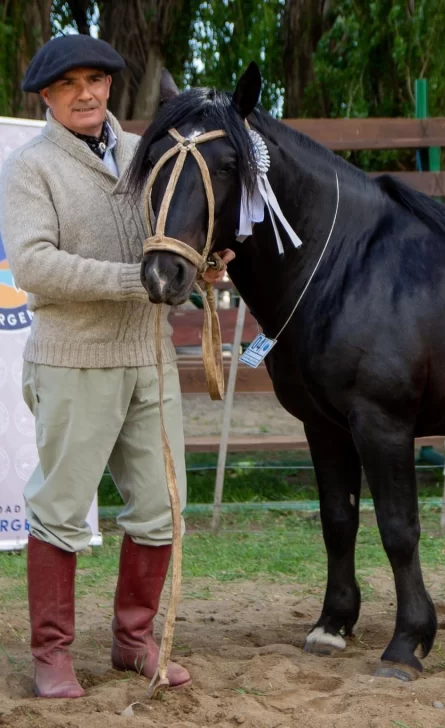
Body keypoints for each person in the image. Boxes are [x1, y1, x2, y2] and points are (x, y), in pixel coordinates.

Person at [0, 34, 234, 699]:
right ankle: (52, 656)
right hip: (74, 361)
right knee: (61, 509)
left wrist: (201, 266)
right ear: (46, 96)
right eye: (69, 84)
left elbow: (170, 241)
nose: (86, 94)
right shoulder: (30, 167)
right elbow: (34, 266)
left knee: (162, 509)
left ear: (110, 87)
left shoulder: (145, 153)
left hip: (150, 360)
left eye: (96, 81)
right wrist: (139, 281)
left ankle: (134, 638)